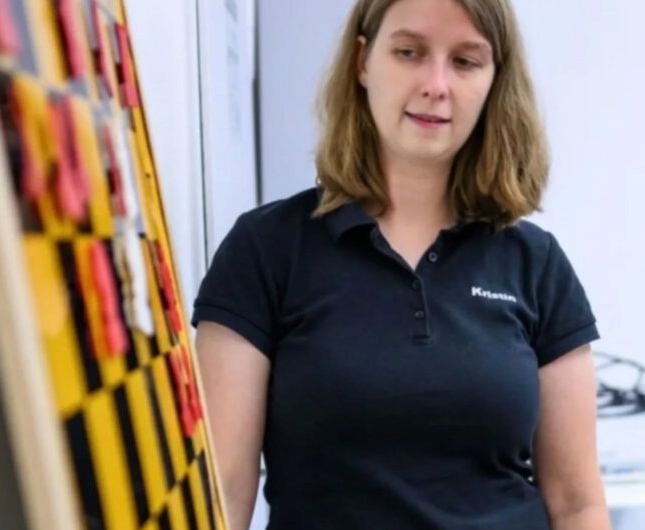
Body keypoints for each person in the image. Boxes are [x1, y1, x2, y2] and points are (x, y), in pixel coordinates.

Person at [192, 0, 611, 528]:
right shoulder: (265, 250)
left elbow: (577, 503)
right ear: (363, 62)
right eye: (409, 52)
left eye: (465, 61)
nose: (436, 85)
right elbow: (222, 494)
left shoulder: (537, 264)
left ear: (494, 81)